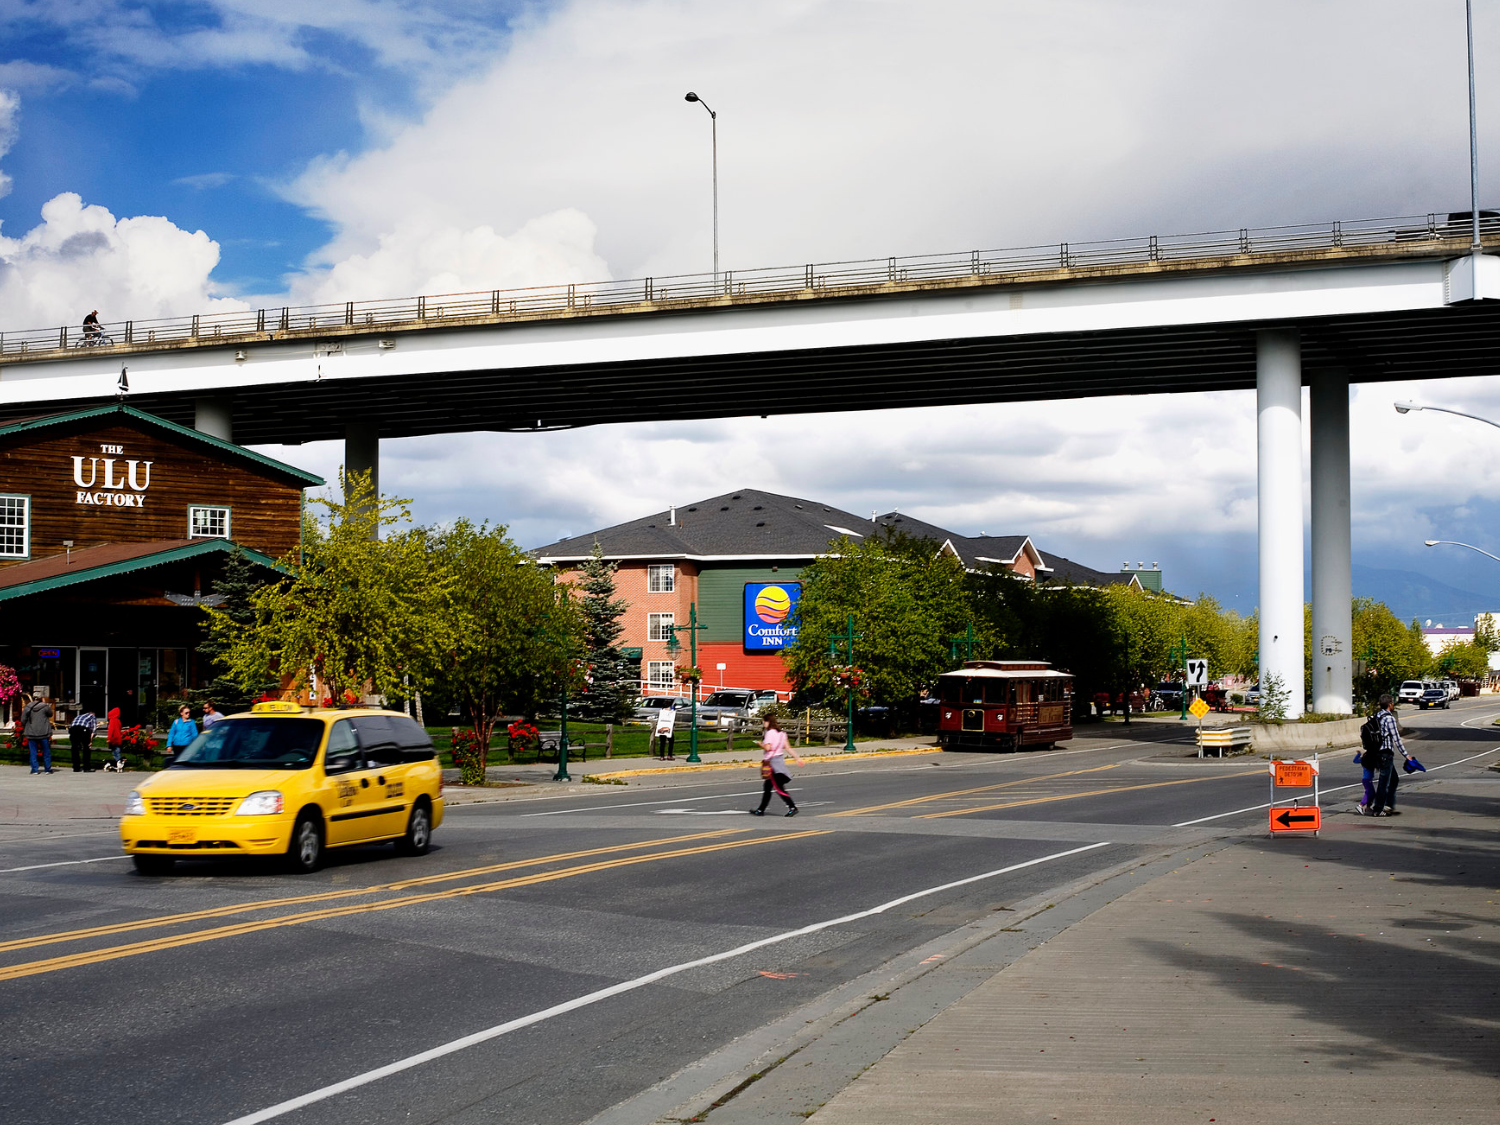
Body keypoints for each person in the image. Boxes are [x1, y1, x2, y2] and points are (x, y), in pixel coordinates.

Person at [1358, 693, 1412, 817]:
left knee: (1394, 779)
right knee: (1384, 782)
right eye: (1392, 702)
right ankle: (1378, 809)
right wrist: (1406, 755)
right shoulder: (1389, 718)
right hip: (1385, 754)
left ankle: (1389, 805)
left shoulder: (1377, 716)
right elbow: (1396, 738)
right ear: (1390, 704)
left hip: (1376, 752)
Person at [750, 713, 804, 817]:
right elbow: (788, 747)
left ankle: (792, 807)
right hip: (779, 761)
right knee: (768, 787)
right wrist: (797, 758)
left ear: (768, 722)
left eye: (764, 721)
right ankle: (761, 810)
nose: (763, 723)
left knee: (778, 788)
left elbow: (768, 748)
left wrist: (759, 744)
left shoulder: (770, 733)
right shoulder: (782, 733)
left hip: (772, 764)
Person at [22, 695, 55, 775]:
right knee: (46, 751)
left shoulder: (28, 707)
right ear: (41, 699)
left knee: (33, 752)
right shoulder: (45, 707)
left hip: (31, 732)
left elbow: (23, 719)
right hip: (43, 732)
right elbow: (50, 714)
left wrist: (26, 726)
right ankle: (47, 769)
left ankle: (34, 769)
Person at [69, 708, 98, 773]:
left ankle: (76, 767)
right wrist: (90, 741)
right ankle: (86, 767)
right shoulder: (92, 716)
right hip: (83, 730)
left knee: (75, 748)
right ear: (93, 713)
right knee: (86, 749)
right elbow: (93, 730)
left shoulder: (79, 716)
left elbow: (71, 725)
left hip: (73, 730)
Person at [104, 706, 124, 772]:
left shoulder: (112, 720)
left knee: (114, 752)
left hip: (113, 739)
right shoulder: (118, 721)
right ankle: (120, 765)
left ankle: (117, 763)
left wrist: (109, 738)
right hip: (118, 738)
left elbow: (111, 730)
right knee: (118, 751)